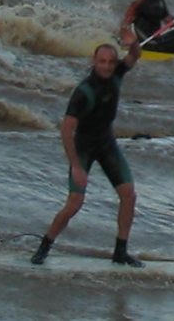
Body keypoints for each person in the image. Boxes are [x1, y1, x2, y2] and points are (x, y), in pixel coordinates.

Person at [30, 36, 145, 267]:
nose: (106, 66)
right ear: (94, 61)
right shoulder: (84, 91)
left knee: (129, 196)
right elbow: (66, 130)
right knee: (74, 203)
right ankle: (44, 247)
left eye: (110, 62)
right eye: (102, 61)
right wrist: (75, 166)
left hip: (106, 144)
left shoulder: (117, 73)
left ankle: (120, 252)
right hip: (83, 147)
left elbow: (134, 56)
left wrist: (133, 43)